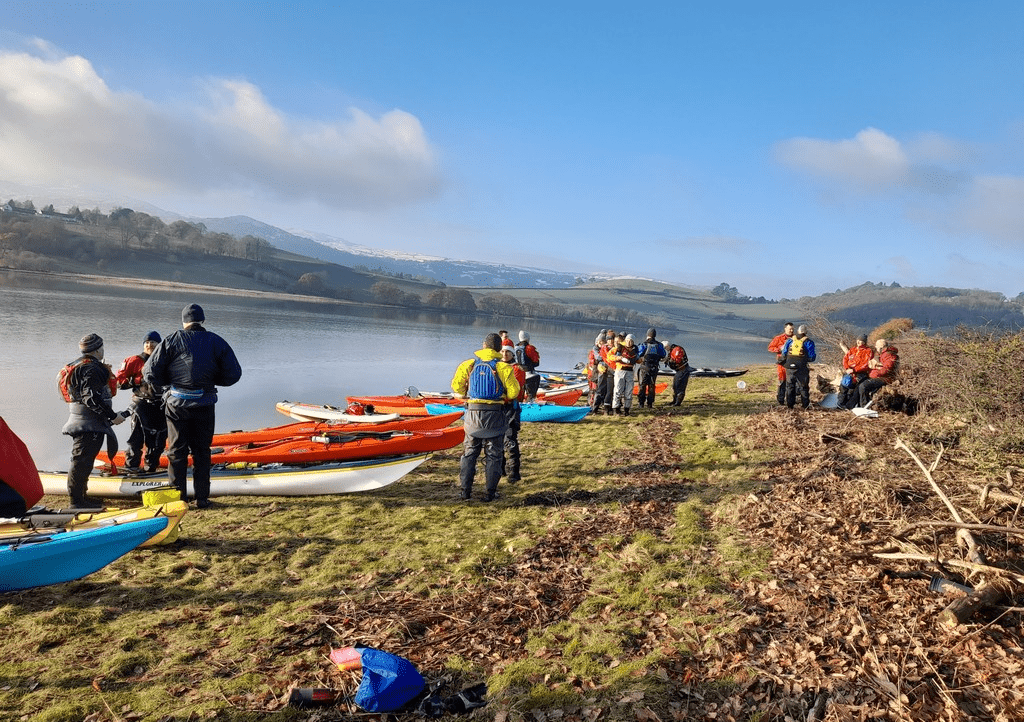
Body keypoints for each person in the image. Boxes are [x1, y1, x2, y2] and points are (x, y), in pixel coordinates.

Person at [144, 304, 242, 509]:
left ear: (183, 321)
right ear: (202, 321)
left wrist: (168, 383)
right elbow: (234, 374)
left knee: (176, 451)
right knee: (202, 451)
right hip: (205, 403)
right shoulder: (216, 341)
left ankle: (178, 499)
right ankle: (202, 499)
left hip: (176, 404)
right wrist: (211, 381)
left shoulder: (171, 340)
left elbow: (149, 372)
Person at [451, 333, 521, 501]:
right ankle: (490, 493)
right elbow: (514, 392)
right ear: (499, 349)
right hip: (495, 415)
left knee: (469, 454)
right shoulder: (504, 368)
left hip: (473, 415)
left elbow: (457, 388)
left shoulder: (468, 365)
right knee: (494, 455)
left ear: (483, 346)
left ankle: (465, 492)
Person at [60, 333, 126, 508]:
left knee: (85, 460)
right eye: (102, 348)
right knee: (81, 460)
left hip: (81, 419)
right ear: (98, 350)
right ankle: (76, 501)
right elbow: (91, 398)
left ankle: (82, 496)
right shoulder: (92, 368)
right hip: (88, 423)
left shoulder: (78, 364)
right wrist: (113, 416)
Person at [115, 330, 167, 473]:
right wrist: (134, 381)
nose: (149, 345)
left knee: (158, 441)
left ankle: (151, 468)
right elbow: (119, 382)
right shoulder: (133, 361)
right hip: (141, 405)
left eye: (153, 342)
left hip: (161, 406)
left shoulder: (166, 361)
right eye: (147, 342)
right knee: (136, 439)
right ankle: (131, 467)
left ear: (159, 344)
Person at [500, 345, 527, 483]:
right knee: (497, 439)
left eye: (508, 352)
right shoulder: (496, 366)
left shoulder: (517, 369)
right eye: (503, 351)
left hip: (511, 407)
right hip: (498, 407)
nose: (505, 354)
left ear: (512, 354)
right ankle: (500, 469)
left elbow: (514, 390)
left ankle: (514, 472)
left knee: (510, 439)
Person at [780, 325, 816, 409]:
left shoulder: (790, 340)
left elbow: (784, 353)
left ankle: (790, 405)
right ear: (806, 332)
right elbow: (812, 357)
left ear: (798, 332)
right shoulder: (809, 342)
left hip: (790, 367)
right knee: (803, 387)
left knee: (789, 386)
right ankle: (805, 406)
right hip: (802, 367)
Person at [857, 338, 899, 408]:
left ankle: (865, 407)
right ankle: (857, 406)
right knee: (860, 384)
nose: (875, 347)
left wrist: (875, 372)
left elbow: (887, 369)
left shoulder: (889, 355)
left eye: (877, 346)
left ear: (881, 347)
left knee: (864, 386)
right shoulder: (881, 353)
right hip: (880, 377)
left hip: (885, 378)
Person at [837, 334, 874, 410]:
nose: (859, 342)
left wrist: (855, 370)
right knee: (843, 385)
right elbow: (845, 359)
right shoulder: (852, 350)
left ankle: (849, 406)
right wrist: (847, 368)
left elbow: (866, 364)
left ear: (864, 342)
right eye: (858, 340)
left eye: (861, 341)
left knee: (855, 390)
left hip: (861, 373)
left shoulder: (868, 351)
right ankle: (841, 404)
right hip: (849, 372)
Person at [636, 328, 666, 409]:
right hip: (654, 368)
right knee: (651, 386)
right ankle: (650, 404)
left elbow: (638, 354)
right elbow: (663, 354)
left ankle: (641, 403)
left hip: (644, 367)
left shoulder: (644, 345)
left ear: (647, 335)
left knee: (642, 385)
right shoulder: (659, 345)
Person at [767, 322, 795, 406]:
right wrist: (780, 349)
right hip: (782, 362)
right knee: (782, 380)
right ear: (785, 329)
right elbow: (770, 348)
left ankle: (791, 400)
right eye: (790, 329)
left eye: (792, 329)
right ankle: (781, 399)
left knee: (792, 382)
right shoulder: (778, 338)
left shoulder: (796, 338)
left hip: (793, 362)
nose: (791, 330)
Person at [612, 333, 638, 415]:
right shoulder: (620, 348)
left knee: (629, 391)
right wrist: (619, 358)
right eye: (627, 340)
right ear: (625, 340)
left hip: (630, 371)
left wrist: (640, 360)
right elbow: (610, 356)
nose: (629, 342)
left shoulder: (635, 350)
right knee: (618, 390)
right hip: (620, 370)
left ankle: (627, 409)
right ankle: (616, 408)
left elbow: (637, 359)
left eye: (631, 341)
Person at [515, 330, 541, 401]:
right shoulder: (529, 348)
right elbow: (536, 361)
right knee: (537, 377)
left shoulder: (516, 348)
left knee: (521, 394)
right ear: (527, 338)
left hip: (520, 374)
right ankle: (531, 400)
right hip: (530, 375)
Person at [665, 342, 690, 406]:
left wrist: (671, 361)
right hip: (679, 370)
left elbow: (678, 360)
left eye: (665, 347)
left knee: (680, 385)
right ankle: (675, 400)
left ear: (668, 346)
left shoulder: (677, 349)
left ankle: (678, 402)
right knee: (675, 385)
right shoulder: (671, 351)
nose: (666, 349)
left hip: (683, 369)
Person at [587, 334, 606, 412]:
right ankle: (591, 404)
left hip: (600, 371)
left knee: (599, 389)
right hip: (594, 372)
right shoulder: (593, 351)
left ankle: (597, 403)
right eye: (600, 341)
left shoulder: (603, 350)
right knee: (593, 389)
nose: (601, 343)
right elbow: (592, 361)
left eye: (603, 341)